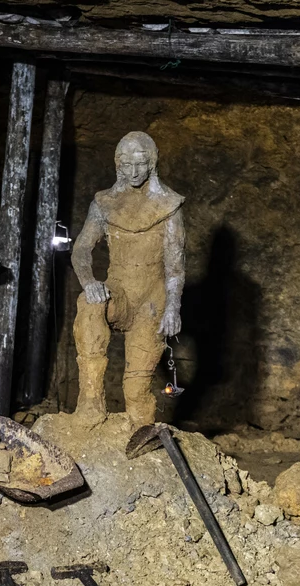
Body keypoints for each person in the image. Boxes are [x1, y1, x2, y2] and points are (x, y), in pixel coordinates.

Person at [71, 131, 185, 427]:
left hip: (151, 302)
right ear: (118, 165)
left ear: (152, 164)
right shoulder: (104, 203)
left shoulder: (168, 206)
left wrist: (173, 308)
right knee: (89, 304)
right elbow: (82, 249)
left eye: (141, 164)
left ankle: (142, 437)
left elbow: (174, 266)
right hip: (119, 293)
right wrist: (89, 282)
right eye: (127, 165)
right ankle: (90, 404)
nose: (134, 172)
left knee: (135, 390)